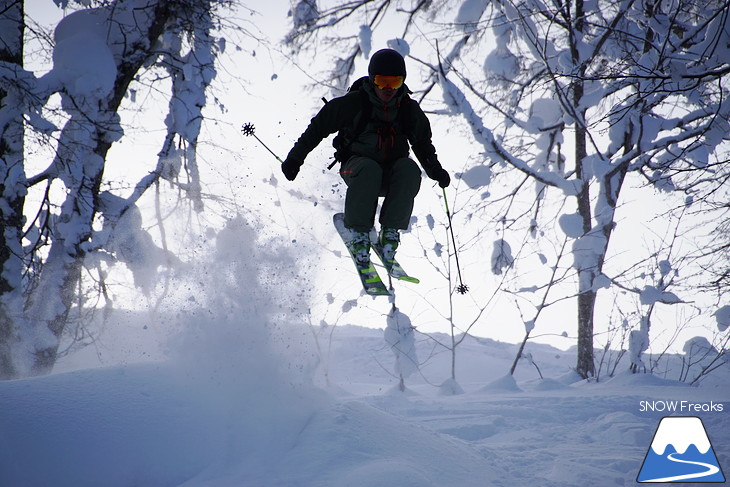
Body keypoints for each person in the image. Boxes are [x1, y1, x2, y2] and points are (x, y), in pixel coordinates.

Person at [281, 48, 450, 265]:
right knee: (370, 169)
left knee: (409, 169)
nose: (388, 89)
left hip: (390, 175)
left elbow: (423, 145)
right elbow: (318, 127)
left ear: (402, 83)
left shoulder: (408, 110)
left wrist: (435, 170)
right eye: (382, 82)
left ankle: (390, 233)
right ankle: (359, 233)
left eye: (394, 83)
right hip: (357, 168)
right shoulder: (354, 103)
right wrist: (295, 159)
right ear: (372, 80)